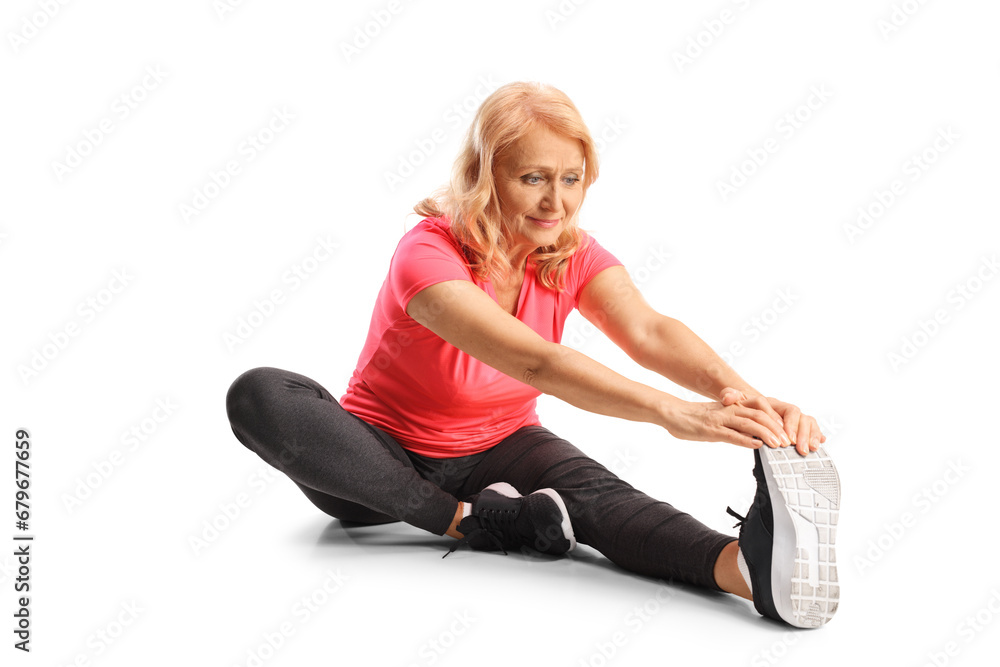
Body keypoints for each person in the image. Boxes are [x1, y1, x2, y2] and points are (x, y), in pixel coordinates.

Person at [225, 81, 840, 629]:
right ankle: (468, 519)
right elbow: (535, 363)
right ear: (485, 176)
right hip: (376, 459)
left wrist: (743, 397)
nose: (556, 203)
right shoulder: (428, 254)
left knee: (604, 498)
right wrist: (673, 414)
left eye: (570, 179)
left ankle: (749, 572)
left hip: (501, 442)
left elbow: (649, 331)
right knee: (260, 392)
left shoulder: (570, 252)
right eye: (533, 179)